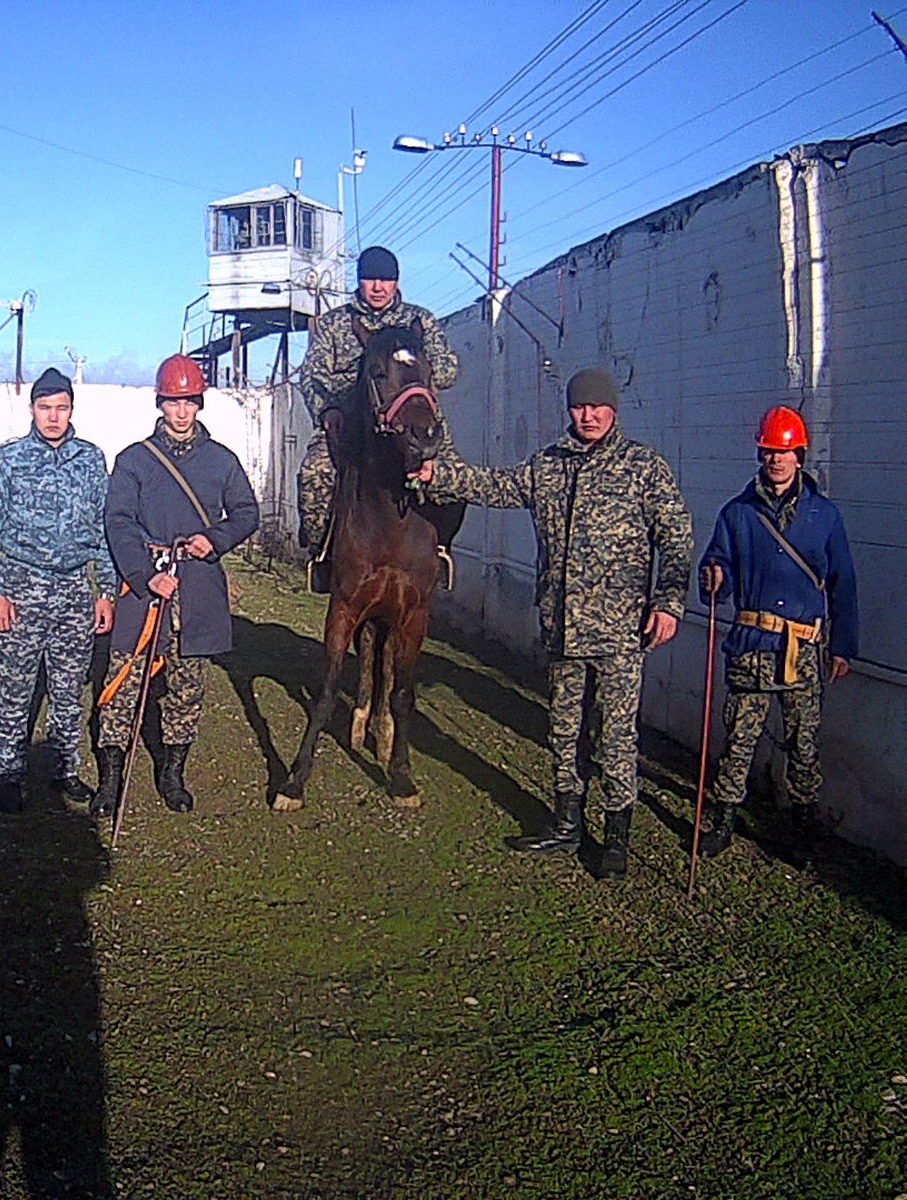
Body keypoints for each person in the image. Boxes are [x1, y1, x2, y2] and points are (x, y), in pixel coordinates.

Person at [414, 368, 694, 880]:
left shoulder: (642, 468)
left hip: (620, 633)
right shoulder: (549, 466)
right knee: (563, 732)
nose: (588, 416)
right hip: (563, 627)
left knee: (616, 737)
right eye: (579, 407)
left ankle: (615, 837)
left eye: (597, 407)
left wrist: (669, 602)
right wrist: (439, 474)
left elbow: (676, 541)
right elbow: (494, 485)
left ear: (613, 410)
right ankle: (566, 823)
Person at [93, 353, 259, 817]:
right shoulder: (134, 461)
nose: (181, 411)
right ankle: (110, 778)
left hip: (200, 585)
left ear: (199, 403)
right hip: (145, 587)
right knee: (123, 679)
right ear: (160, 403)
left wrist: (215, 539)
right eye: (173, 402)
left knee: (188, 687)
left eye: (189, 401)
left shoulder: (222, 460)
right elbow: (118, 520)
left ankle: (172, 774)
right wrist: (145, 576)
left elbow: (247, 513)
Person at [695, 405, 858, 859]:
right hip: (752, 646)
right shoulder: (736, 514)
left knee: (803, 743)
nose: (776, 461)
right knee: (739, 739)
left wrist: (842, 645)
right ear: (759, 455)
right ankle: (723, 819)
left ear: (799, 456)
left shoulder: (824, 516)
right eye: (769, 452)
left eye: (785, 452)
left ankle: (801, 830)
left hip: (803, 651)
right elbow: (717, 564)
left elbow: (843, 582)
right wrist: (713, 577)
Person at [0, 368, 116, 813]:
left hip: (74, 589)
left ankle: (63, 770)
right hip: (20, 587)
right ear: (32, 409)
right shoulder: (8, 460)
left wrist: (105, 591)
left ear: (72, 409)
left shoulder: (91, 460)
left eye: (62, 407)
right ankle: (7, 773)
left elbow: (104, 531)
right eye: (45, 407)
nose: (53, 417)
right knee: (15, 686)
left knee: (69, 687)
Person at [298, 245, 462, 562]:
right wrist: (327, 409)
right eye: (370, 279)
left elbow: (449, 369)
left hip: (412, 421)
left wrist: (419, 371)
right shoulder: (335, 324)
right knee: (313, 474)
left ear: (396, 282)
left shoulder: (421, 321)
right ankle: (321, 555)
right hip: (350, 420)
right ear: (359, 281)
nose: (377, 287)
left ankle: (440, 549)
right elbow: (312, 375)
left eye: (385, 280)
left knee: (454, 477)